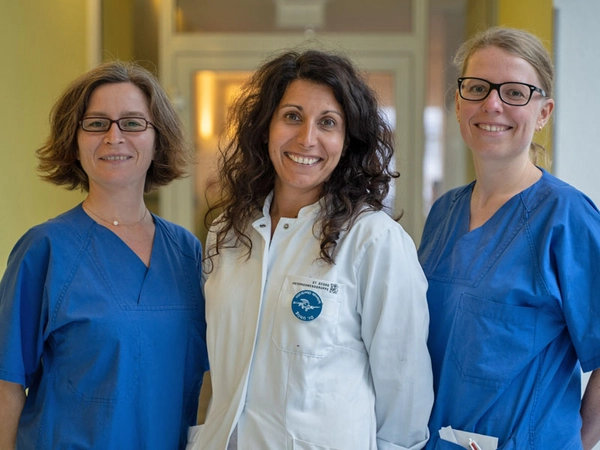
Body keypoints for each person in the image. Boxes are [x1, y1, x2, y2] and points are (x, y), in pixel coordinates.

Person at [186, 49, 433, 449]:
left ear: (347, 141)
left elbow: (404, 393)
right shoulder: (227, 233)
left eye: (328, 123)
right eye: (292, 116)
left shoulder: (373, 241)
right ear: (265, 126)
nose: (307, 139)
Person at [0, 61, 208, 449]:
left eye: (132, 123)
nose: (114, 136)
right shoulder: (44, 250)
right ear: (74, 142)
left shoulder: (186, 253)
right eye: (96, 123)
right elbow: (6, 385)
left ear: (157, 140)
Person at [418, 26, 600, 449]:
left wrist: (571, 441)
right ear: (459, 104)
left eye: (515, 92)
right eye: (477, 88)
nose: (493, 104)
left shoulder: (567, 218)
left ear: (543, 113)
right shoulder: (443, 212)